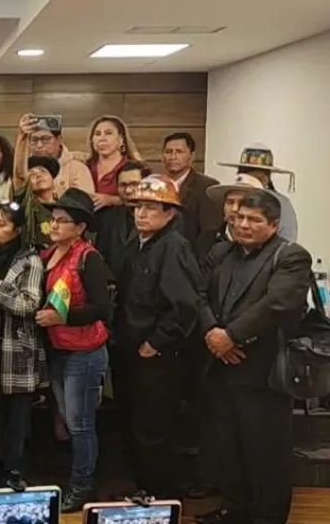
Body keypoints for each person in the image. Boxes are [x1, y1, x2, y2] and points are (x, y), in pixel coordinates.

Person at [196, 192, 310, 524]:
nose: (243, 224)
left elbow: (278, 304)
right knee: (227, 448)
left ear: (273, 225)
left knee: (266, 453)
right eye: (239, 217)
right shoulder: (220, 252)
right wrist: (213, 334)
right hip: (220, 365)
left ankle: (267, 517)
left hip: (265, 371)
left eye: (254, 220)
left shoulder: (291, 256)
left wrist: (230, 336)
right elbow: (199, 294)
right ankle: (234, 509)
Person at [115, 175, 202, 500]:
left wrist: (156, 343)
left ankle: (161, 499)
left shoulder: (173, 247)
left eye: (151, 208)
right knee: (136, 427)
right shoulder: (136, 243)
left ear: (170, 213)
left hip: (158, 357)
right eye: (138, 207)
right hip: (130, 353)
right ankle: (143, 491)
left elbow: (184, 308)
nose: (141, 214)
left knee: (155, 431)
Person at [35, 188, 112, 512]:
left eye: (63, 221)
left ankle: (82, 486)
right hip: (57, 349)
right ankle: (77, 477)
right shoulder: (48, 253)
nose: (54, 225)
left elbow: (103, 308)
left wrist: (62, 316)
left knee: (80, 424)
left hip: (84, 351)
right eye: (53, 219)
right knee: (67, 421)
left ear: (80, 227)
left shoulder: (88, 257)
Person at [0, 201, 47, 490]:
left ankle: (12, 474)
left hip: (16, 353)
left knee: (14, 424)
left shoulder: (29, 260)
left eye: (2, 224)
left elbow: (28, 304)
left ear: (16, 230)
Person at [216, 144, 298, 242]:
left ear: (266, 179)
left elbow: (287, 240)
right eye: (247, 177)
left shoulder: (281, 204)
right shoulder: (232, 198)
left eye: (258, 178)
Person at [13, 114, 93, 196]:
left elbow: (84, 203)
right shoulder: (26, 168)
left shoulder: (77, 168)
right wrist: (22, 136)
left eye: (45, 139)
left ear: (59, 140)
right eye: (34, 140)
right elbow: (19, 181)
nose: (39, 145)